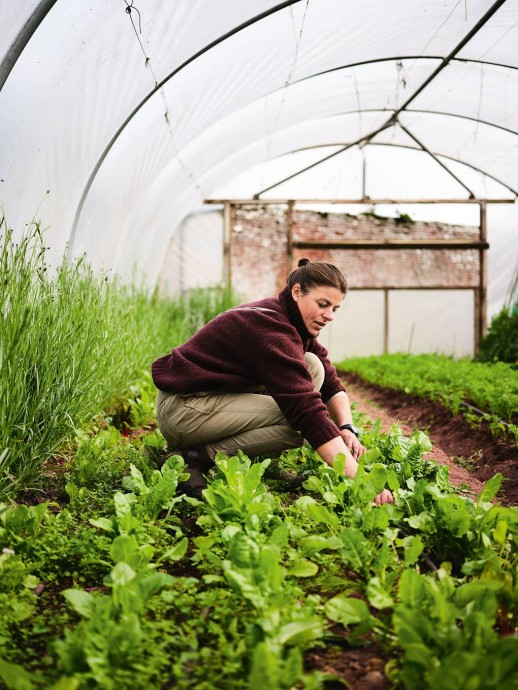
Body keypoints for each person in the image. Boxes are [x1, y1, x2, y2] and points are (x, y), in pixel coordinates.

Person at [151, 258, 393, 505]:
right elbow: (307, 413)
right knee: (297, 422)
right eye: (323, 304)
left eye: (335, 308)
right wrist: (363, 484)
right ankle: (194, 458)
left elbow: (331, 383)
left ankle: (264, 462)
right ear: (297, 292)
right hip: (184, 409)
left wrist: (347, 427)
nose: (329, 315)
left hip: (207, 401)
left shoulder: (292, 321)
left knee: (313, 366)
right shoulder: (270, 330)